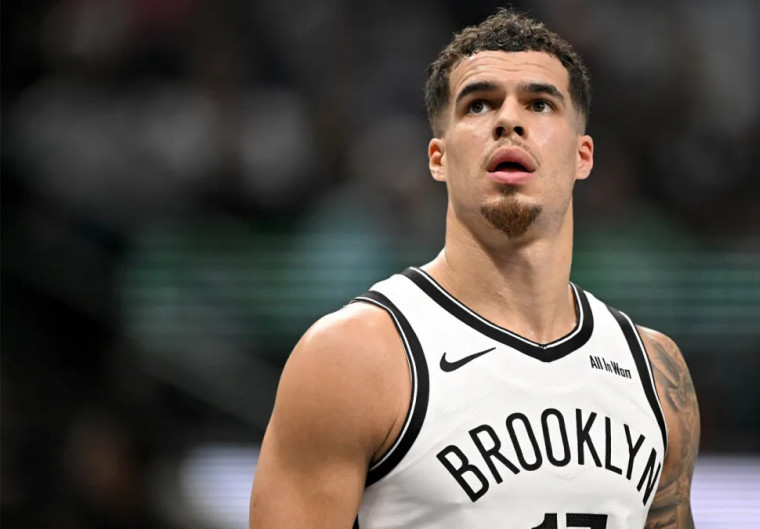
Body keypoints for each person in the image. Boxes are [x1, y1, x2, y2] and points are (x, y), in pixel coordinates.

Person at [250, 8, 699, 529]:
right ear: (438, 158)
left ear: (583, 156)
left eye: (539, 103)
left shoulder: (654, 372)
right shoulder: (353, 356)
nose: (509, 121)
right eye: (479, 104)